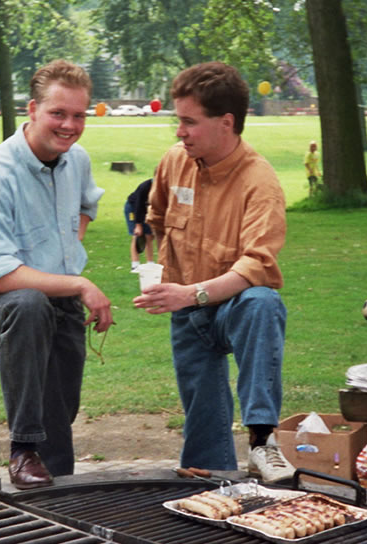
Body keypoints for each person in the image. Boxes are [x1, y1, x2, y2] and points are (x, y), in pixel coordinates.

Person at [132, 62, 295, 484]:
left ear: (226, 123)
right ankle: (215, 508)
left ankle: (262, 441)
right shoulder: (174, 162)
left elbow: (256, 266)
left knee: (263, 303)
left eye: (189, 122)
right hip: (188, 318)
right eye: (177, 120)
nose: (179, 131)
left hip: (230, 308)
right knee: (203, 456)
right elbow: (159, 217)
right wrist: (154, 268)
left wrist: (191, 294)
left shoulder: (260, 182)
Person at [0, 59, 113, 489]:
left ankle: (54, 511)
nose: (69, 125)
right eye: (58, 113)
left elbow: (87, 205)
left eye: (79, 115)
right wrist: (80, 282)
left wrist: (69, 251)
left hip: (62, 305)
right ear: (32, 109)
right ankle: (21, 449)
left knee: (59, 421)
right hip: (3, 306)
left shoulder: (75, 159)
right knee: (29, 306)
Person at [124, 178, 155, 272]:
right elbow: (138, 206)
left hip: (145, 210)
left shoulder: (162, 187)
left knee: (149, 235)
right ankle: (135, 265)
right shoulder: (145, 186)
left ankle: (150, 263)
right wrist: (138, 225)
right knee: (137, 235)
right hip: (133, 209)